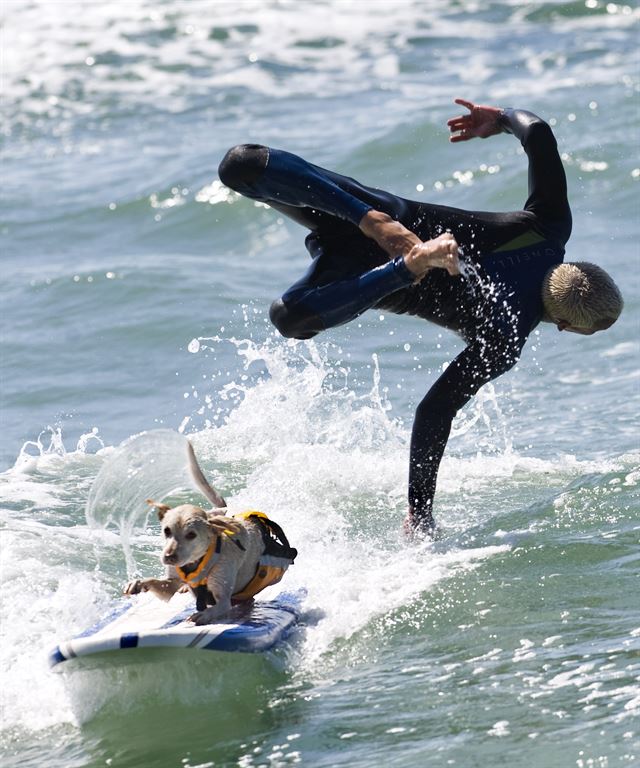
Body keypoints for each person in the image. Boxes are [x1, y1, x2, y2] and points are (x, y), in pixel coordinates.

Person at [217, 99, 623, 535]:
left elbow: (538, 132)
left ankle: (377, 227)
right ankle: (409, 267)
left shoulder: (548, 228)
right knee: (290, 319)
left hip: (380, 216)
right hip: (366, 275)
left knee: (240, 165)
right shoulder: (503, 343)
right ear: (565, 325)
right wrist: (420, 511)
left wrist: (499, 119)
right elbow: (433, 413)